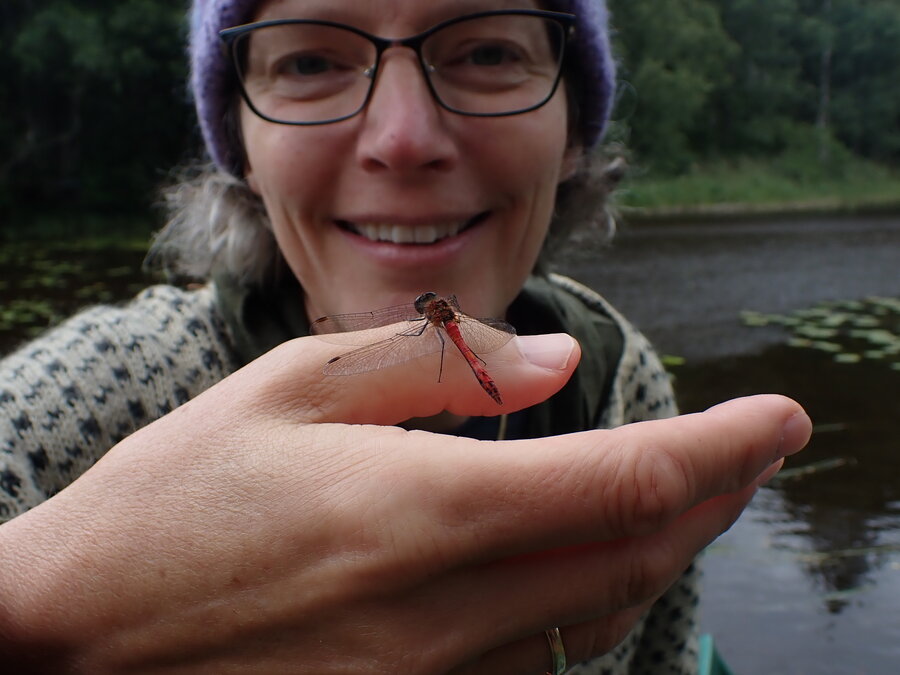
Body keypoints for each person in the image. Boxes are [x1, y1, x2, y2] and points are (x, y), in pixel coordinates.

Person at [0, 0, 811, 672]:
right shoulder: (76, 404)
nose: (403, 139)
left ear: (572, 137)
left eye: (488, 52)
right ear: (240, 148)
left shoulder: (619, 374)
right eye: (310, 63)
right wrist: (40, 620)